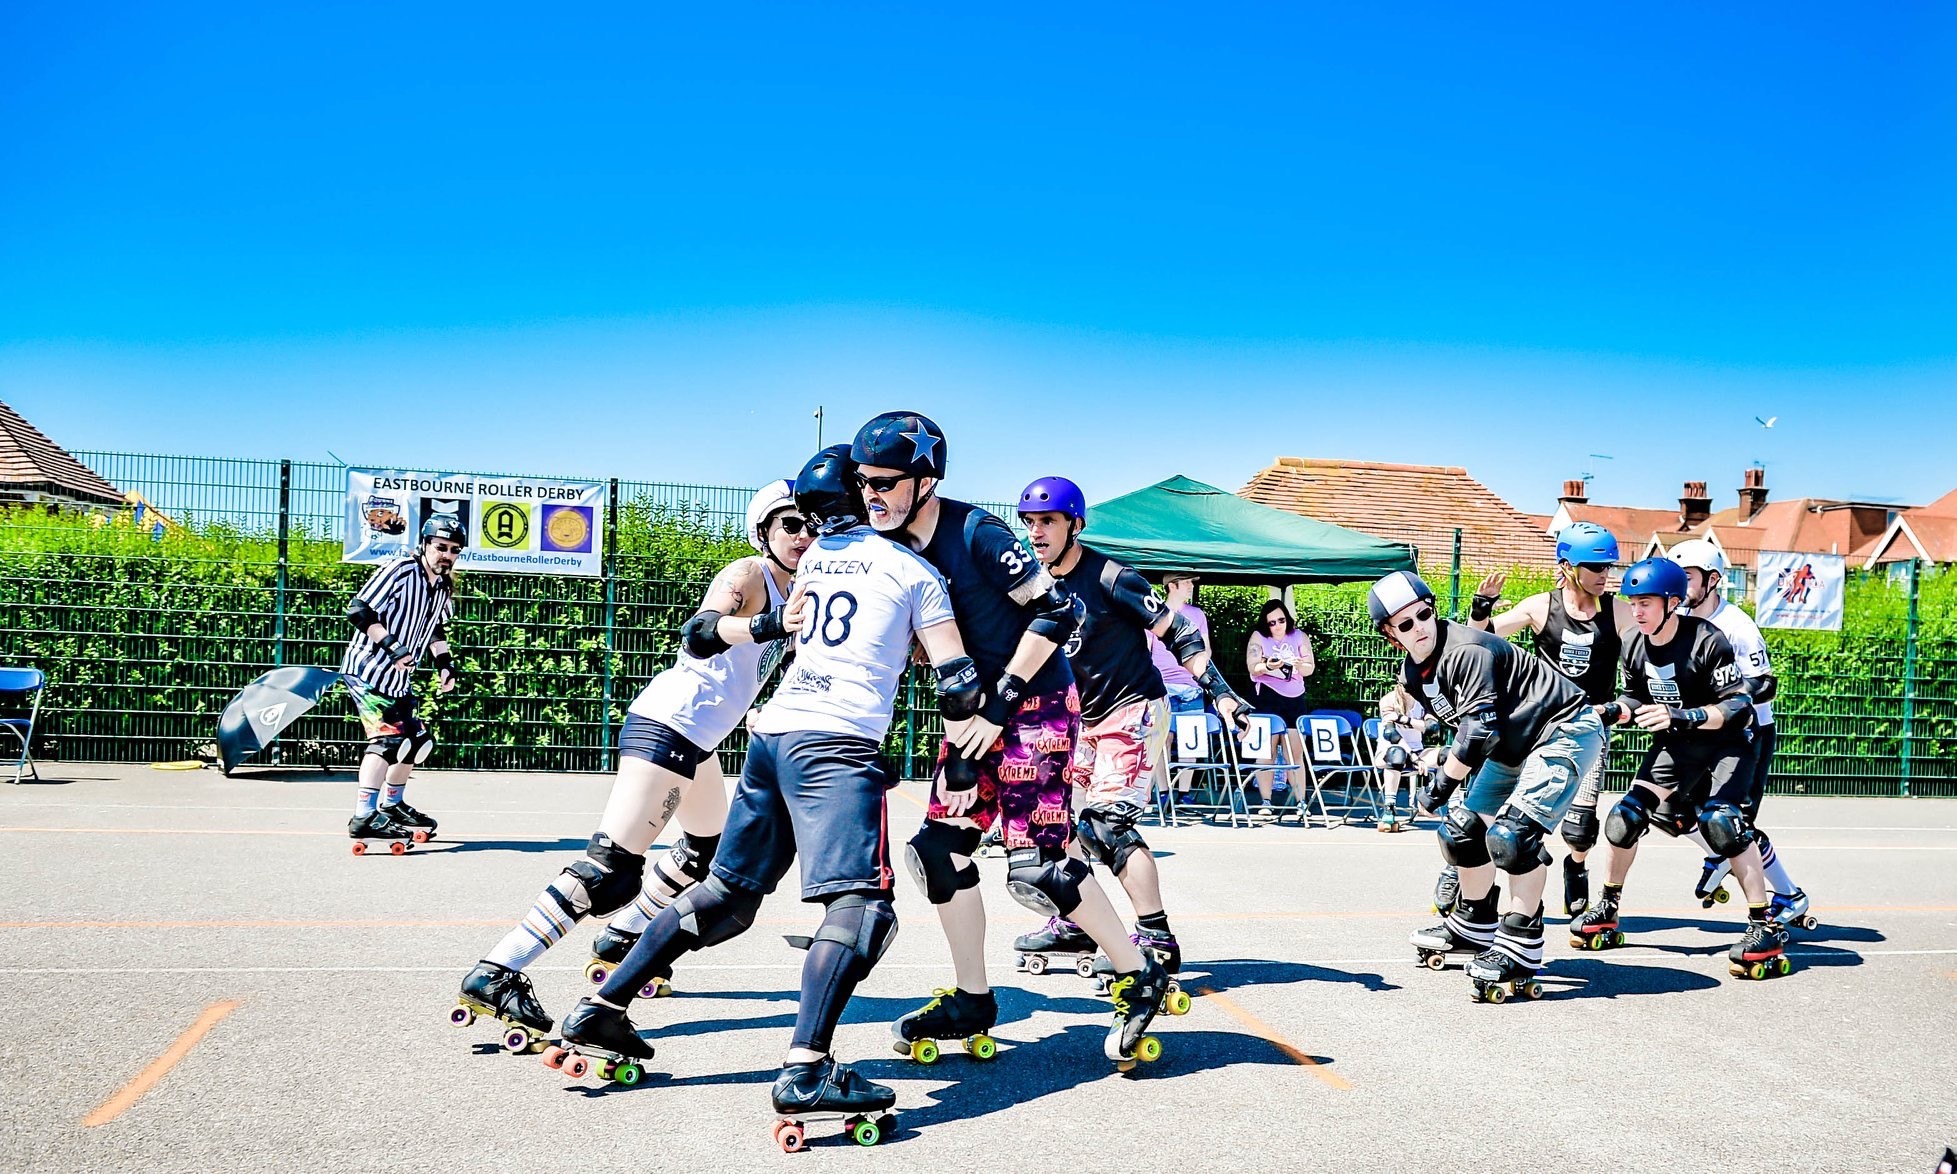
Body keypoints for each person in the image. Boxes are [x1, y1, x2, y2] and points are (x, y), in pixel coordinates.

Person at [558, 445, 971, 1135]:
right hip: (835, 746)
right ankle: (806, 1070)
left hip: (772, 738)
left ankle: (602, 1009)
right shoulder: (911, 569)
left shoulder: (813, 561)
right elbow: (953, 677)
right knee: (863, 911)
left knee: (726, 897)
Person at [849, 411, 1170, 1070]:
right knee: (938, 851)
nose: (871, 495)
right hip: (975, 717)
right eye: (863, 483)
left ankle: (1138, 974)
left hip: (1036, 705)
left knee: (1039, 862)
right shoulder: (887, 548)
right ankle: (972, 999)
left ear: (925, 480)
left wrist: (997, 705)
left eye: (884, 482)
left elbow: (1057, 610)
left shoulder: (977, 533)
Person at [452, 480, 810, 1048]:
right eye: (790, 523)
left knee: (703, 855)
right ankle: (498, 970)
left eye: (811, 522)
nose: (803, 533)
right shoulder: (749, 576)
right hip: (672, 726)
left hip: (701, 742)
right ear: (764, 530)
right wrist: (771, 625)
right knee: (610, 871)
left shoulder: (803, 592)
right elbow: (698, 635)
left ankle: (623, 939)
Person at [1012, 476, 1246, 999]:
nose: (1037, 533)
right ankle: (1077, 922)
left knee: (1106, 827)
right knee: (1052, 825)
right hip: (1081, 719)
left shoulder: (1111, 577)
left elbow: (1178, 632)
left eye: (1047, 521)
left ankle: (1156, 937)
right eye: (1030, 523)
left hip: (1134, 708)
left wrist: (1223, 695)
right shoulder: (1034, 583)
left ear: (1075, 524)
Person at [1371, 570, 1606, 1003]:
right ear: (1391, 634)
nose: (1419, 627)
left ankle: (1521, 940)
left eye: (1424, 614)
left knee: (1513, 837)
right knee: (1461, 832)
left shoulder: (1467, 650)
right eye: (1405, 624)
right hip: (1513, 742)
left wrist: (1438, 786)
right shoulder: (1415, 667)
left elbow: (1477, 729)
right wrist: (1395, 723)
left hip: (1563, 729)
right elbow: (1415, 703)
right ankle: (1474, 925)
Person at [1571, 557, 1792, 981]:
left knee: (1722, 824)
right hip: (1679, 744)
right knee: (1623, 819)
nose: (1637, 612)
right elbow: (1635, 699)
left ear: (1672, 602)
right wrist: (1608, 710)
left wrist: (1681, 716)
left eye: (1647, 603)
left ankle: (1764, 925)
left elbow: (1737, 705)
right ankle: (1608, 906)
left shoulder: (1708, 639)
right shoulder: (1634, 643)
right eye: (1633, 603)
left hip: (1728, 743)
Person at [1469, 521, 1637, 916]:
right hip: (1536, 726)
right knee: (1503, 812)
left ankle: (1575, 867)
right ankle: (1465, 876)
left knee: (1579, 829)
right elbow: (1482, 637)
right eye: (1596, 568)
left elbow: (1654, 647)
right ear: (1567, 566)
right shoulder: (1541, 606)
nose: (1604, 576)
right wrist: (1481, 607)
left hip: (1588, 728)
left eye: (1609, 568)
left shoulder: (1618, 611)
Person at [1672, 539, 1812, 928]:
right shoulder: (1676, 618)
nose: (1677, 585)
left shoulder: (1737, 626)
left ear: (1712, 580)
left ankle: (1789, 894)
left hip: (1748, 734)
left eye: (1686, 577)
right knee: (1670, 809)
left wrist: (1731, 698)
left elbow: (1765, 684)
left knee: (1733, 824)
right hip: (1700, 732)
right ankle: (1718, 854)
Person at [341, 514, 463, 849]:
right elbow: (359, 610)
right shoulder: (400, 570)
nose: (447, 555)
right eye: (441, 547)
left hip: (397, 679)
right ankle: (363, 816)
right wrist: (393, 647)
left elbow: (435, 628)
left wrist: (445, 664)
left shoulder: (443, 585)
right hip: (367, 670)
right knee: (388, 740)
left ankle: (391, 806)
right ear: (425, 544)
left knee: (418, 741)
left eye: (454, 550)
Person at [1243, 599, 1314, 815]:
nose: (1277, 626)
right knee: (1267, 749)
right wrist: (1268, 666)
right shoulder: (1259, 637)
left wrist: (1300, 665)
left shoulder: (1299, 636)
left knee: (1295, 751)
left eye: (1281, 620)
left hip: (1295, 697)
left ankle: (1301, 801)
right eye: (1272, 623)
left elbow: (1310, 667)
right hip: (1267, 696)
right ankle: (1266, 801)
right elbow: (1252, 666)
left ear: (1288, 619)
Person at [1146, 573, 1209, 797]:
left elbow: (1205, 649)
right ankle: (1164, 792)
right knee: (1163, 739)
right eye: (1187, 582)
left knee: (1190, 740)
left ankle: (1184, 793)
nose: (1191, 586)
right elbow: (1146, 650)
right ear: (1172, 586)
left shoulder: (1196, 614)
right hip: (1163, 685)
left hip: (1191, 687)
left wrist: (1202, 675)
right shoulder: (1154, 613)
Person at [1375, 682, 1441, 831]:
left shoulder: (1424, 700)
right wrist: (1413, 757)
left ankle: (1450, 806)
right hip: (1390, 752)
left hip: (1418, 752)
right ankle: (1389, 809)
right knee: (1397, 753)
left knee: (1449, 755)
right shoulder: (1388, 700)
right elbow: (1391, 734)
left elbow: (1432, 728)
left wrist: (1404, 719)